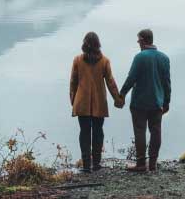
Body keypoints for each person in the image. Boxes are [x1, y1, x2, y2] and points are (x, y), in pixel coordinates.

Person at [69, 31, 124, 173]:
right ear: (98, 44)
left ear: (84, 44)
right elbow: (110, 82)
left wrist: (72, 101)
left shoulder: (77, 60)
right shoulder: (104, 61)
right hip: (99, 103)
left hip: (82, 103)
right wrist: (118, 99)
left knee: (84, 132)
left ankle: (86, 165)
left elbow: (73, 82)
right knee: (98, 132)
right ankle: (97, 164)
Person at [119, 28, 171, 172]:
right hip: (157, 102)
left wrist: (121, 94)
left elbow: (131, 78)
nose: (138, 43)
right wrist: (166, 102)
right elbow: (167, 83)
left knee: (140, 131)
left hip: (139, 103)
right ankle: (153, 163)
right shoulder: (164, 58)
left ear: (142, 40)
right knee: (156, 131)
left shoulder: (139, 57)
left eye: (138, 40)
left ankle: (141, 164)